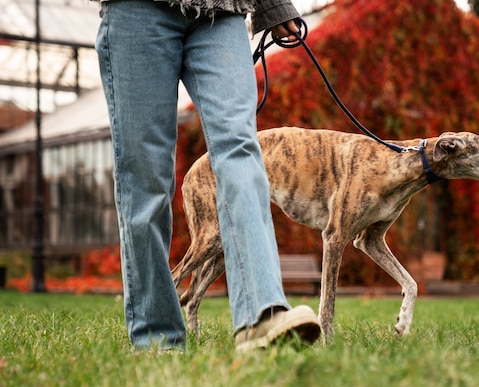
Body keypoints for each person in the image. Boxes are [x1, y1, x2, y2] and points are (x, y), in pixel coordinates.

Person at [93, 0, 321, 352]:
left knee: (241, 149)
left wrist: (274, 7)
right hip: (137, 10)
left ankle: (261, 315)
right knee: (146, 176)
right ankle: (157, 337)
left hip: (222, 12)